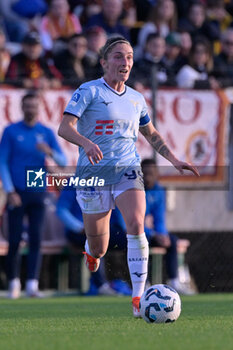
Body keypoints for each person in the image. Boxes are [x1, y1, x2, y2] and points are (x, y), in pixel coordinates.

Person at [57, 36, 199, 317]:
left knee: (136, 224)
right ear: (104, 62)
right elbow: (65, 127)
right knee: (100, 247)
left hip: (127, 169)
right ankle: (91, 249)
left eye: (130, 57)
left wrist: (174, 159)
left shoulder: (136, 98)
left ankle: (138, 299)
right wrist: (86, 143)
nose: (125, 62)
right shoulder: (89, 91)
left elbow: (152, 133)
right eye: (119, 56)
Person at [0, 91, 67, 299]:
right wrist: (9, 190)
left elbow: (63, 161)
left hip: (37, 189)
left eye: (34, 106)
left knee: (36, 239)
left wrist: (50, 152)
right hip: (17, 191)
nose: (30, 109)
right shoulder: (11, 131)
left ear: (39, 108)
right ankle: (13, 284)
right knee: (14, 239)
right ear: (22, 107)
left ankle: (32, 284)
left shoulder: (46, 132)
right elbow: (3, 162)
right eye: (27, 106)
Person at [141, 158, 194, 294]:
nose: (147, 177)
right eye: (144, 173)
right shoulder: (134, 191)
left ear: (157, 173)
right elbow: (133, 221)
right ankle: (143, 284)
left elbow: (159, 218)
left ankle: (174, 281)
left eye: (151, 174)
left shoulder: (159, 190)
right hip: (134, 232)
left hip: (149, 233)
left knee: (173, 241)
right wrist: (152, 234)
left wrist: (162, 235)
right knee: (140, 244)